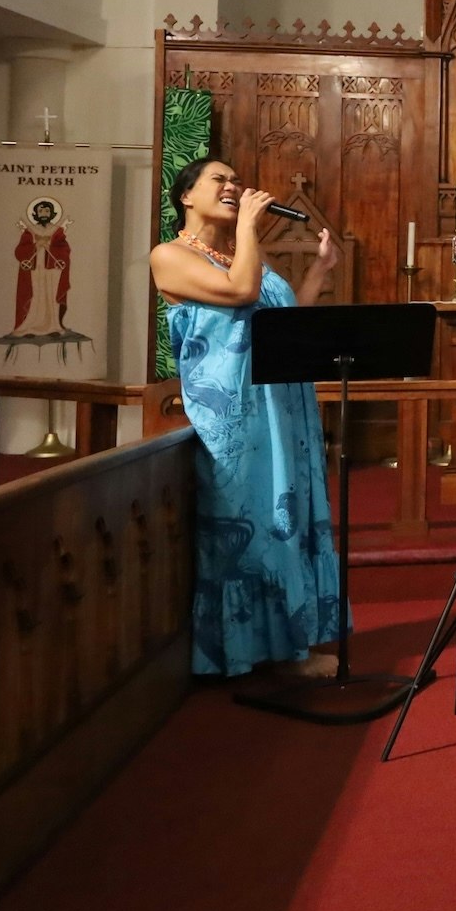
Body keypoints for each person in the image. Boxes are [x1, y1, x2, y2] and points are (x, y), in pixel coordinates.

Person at [149, 157, 344, 679]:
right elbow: (241, 293)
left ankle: (288, 648)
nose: (233, 186)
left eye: (236, 180)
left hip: (279, 406)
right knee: (251, 526)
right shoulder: (169, 255)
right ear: (186, 196)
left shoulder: (238, 255)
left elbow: (282, 325)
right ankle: (247, 653)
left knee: (286, 520)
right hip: (234, 416)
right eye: (220, 179)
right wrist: (253, 228)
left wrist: (320, 272)